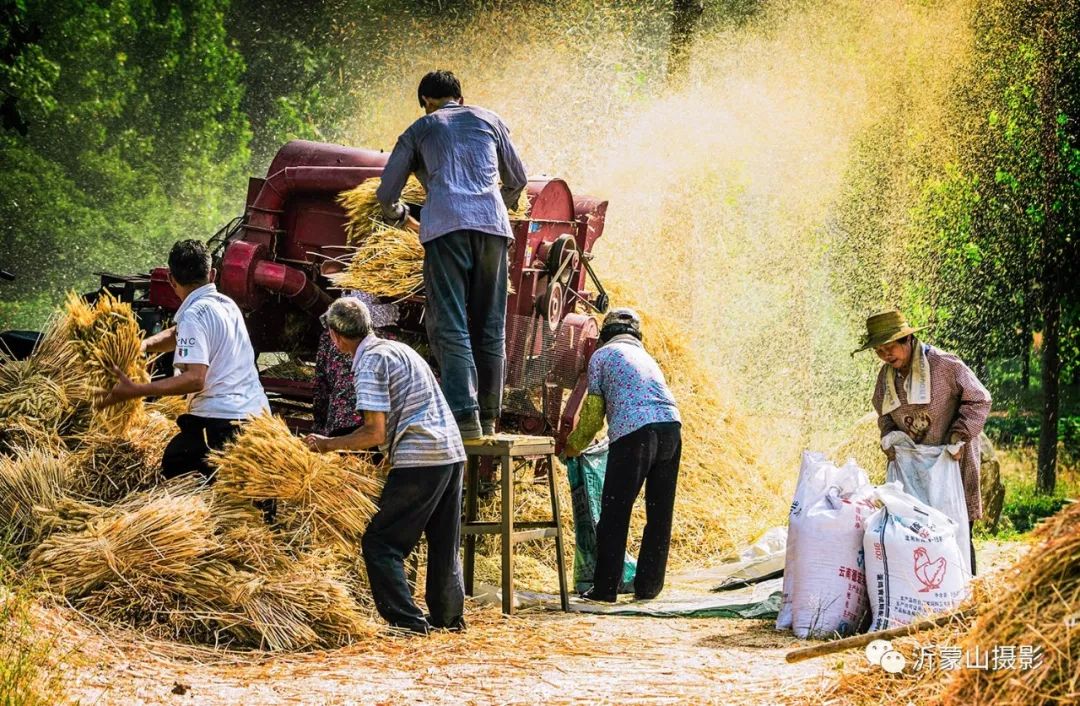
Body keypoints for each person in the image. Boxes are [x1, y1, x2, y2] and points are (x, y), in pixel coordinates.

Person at [376, 69, 528, 439]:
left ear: (426, 101)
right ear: (460, 96)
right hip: (493, 231)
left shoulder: (420, 129)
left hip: (446, 231)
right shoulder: (490, 120)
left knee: (451, 323)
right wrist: (494, 207)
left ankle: (464, 417)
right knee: (490, 325)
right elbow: (518, 180)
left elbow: (385, 194)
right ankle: (490, 417)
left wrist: (400, 217)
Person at [303, 297, 466, 634]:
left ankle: (407, 622)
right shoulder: (397, 349)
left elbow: (372, 431)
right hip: (451, 452)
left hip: (421, 457)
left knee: (380, 543)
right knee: (443, 542)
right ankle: (449, 621)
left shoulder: (368, 364)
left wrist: (327, 445)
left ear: (335, 337)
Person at [98, 239, 269, 479]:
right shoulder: (226, 304)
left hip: (222, 425)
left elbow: (195, 379)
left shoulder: (192, 316)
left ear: (171, 279)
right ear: (212, 274)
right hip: (257, 417)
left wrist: (137, 390)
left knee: (174, 467)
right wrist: (145, 345)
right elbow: (179, 334)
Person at [855, 309, 991, 574]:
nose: (885, 356)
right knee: (916, 531)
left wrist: (959, 435)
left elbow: (979, 399)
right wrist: (889, 440)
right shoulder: (886, 377)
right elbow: (884, 416)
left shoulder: (945, 365)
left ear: (907, 340)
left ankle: (965, 593)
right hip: (914, 468)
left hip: (951, 461)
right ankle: (925, 594)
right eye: (879, 351)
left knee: (957, 530)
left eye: (889, 348)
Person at [563, 308, 682, 602]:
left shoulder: (602, 357)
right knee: (659, 513)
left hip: (634, 434)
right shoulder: (646, 358)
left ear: (604, 334)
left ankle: (605, 589)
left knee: (615, 514)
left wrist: (572, 445)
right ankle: (648, 587)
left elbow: (592, 415)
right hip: (671, 430)